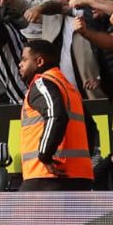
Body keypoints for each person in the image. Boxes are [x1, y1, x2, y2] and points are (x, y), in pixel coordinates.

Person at [17, 39, 93, 191]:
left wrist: (45, 155)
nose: (20, 64)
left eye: (24, 59)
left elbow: (55, 115)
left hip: (45, 176)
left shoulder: (42, 83)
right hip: (79, 179)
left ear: (39, 61)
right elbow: (90, 127)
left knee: (21, 215)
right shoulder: (70, 89)